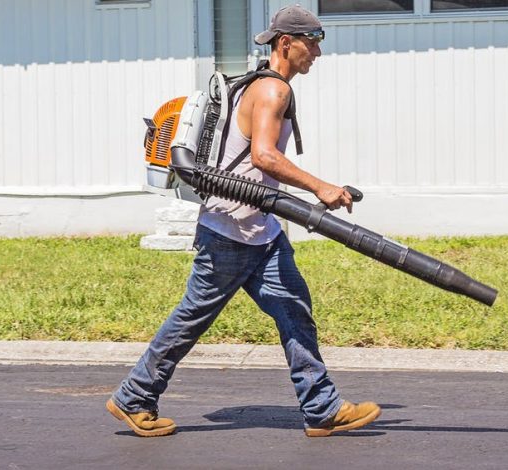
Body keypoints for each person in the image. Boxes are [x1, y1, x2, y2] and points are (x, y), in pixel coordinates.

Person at [107, 4, 381, 438]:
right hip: (231, 232)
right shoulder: (273, 91)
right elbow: (264, 157)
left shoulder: (254, 84)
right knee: (192, 317)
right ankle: (135, 395)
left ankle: (322, 407)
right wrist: (321, 188)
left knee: (295, 309)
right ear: (286, 43)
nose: (317, 54)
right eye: (313, 44)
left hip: (259, 229)